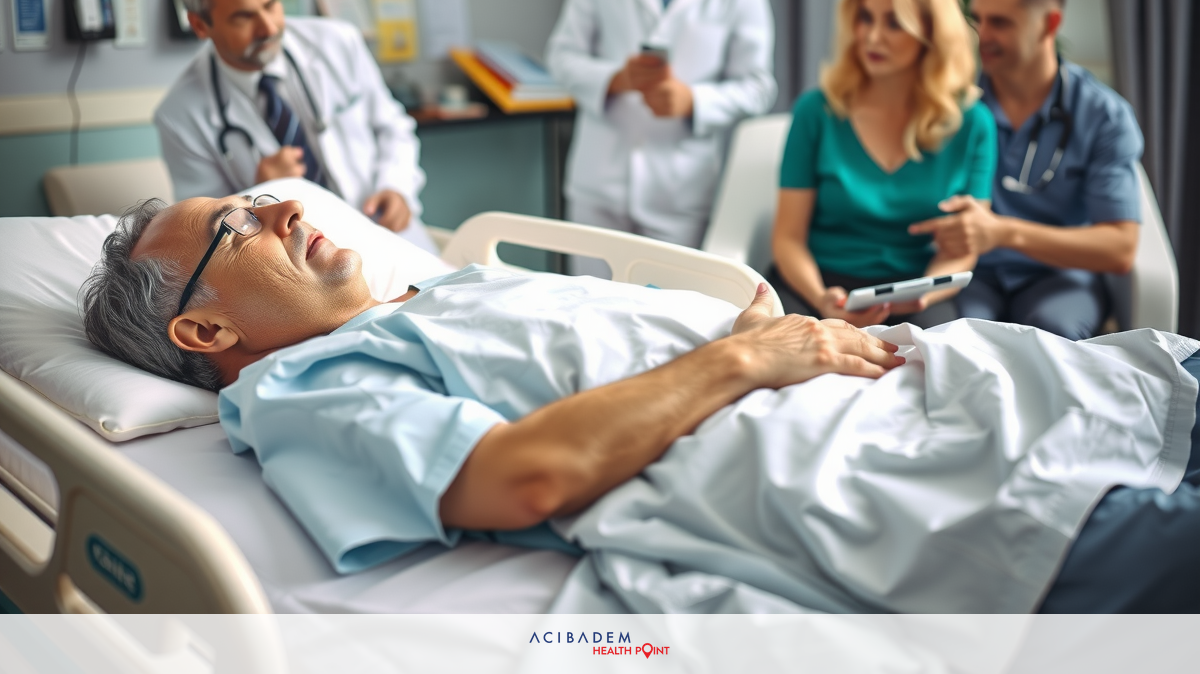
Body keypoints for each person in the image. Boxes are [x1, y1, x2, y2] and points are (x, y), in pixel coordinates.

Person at [80, 193, 1200, 613]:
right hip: (877, 467)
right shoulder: (303, 385)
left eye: (262, 197)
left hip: (959, 380)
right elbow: (520, 477)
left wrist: (764, 330)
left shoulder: (441, 287)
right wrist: (748, 357)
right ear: (204, 332)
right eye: (237, 226)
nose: (282, 208)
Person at [545, 0, 776, 272]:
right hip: (598, 187)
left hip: (678, 193)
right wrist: (616, 80)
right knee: (588, 305)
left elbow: (758, 87)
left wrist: (693, 101)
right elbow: (561, 57)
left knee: (668, 308)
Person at [907, 0, 1143, 340]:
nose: (982, 35)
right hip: (971, 272)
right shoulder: (951, 104)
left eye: (1000, 22)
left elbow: (1119, 248)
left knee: (1051, 339)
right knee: (951, 338)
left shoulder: (1103, 115)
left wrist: (1003, 233)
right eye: (978, 19)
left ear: (1049, 24)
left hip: (1059, 276)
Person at [154, 0, 436, 253]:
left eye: (271, 4)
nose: (269, 28)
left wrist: (396, 187)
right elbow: (206, 234)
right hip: (300, 268)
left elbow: (393, 127)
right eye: (244, 17)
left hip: (389, 236)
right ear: (200, 25)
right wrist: (255, 192)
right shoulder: (180, 115)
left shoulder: (338, 43)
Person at [768, 0, 996, 329]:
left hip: (914, 291)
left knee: (936, 357)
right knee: (783, 352)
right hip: (815, 284)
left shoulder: (973, 123)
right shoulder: (816, 111)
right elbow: (788, 239)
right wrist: (822, 298)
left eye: (894, 23)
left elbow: (963, 248)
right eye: (866, 18)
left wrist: (926, 294)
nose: (872, 37)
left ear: (932, 34)